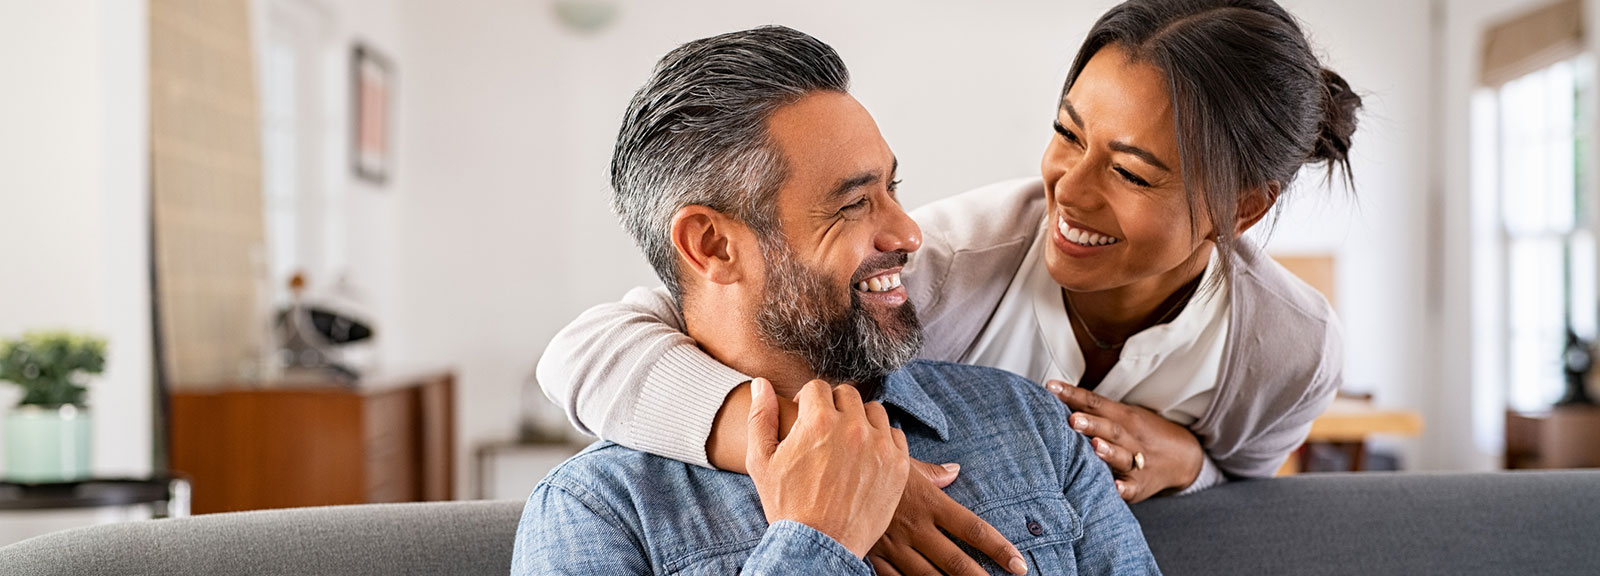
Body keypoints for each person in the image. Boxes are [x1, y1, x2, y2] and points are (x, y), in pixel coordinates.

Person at [539, 0, 1361, 573]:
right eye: (1066, 134)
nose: (1068, 192)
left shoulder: (1280, 351)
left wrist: (1191, 461)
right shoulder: (945, 265)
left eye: (1134, 172)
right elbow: (614, 341)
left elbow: (1242, 484)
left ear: (1241, 210)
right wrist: (826, 470)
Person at [512, 26, 1160, 576]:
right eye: (853, 204)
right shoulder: (597, 511)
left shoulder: (1030, 423)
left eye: (893, 189)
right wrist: (815, 541)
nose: (908, 234)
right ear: (712, 245)